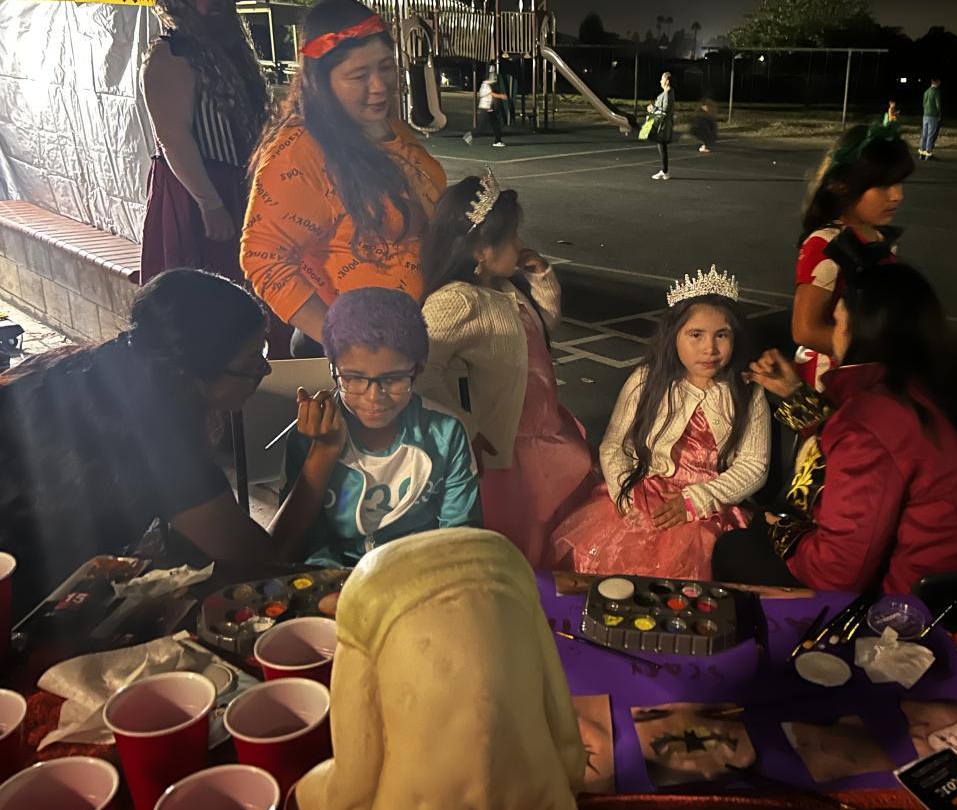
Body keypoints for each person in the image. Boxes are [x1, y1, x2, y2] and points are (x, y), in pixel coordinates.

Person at [0, 271, 302, 615]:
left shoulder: (68, 365)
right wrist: (318, 458)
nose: (265, 370)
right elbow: (267, 562)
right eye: (251, 361)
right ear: (193, 372)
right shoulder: (164, 451)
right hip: (21, 606)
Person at [711, 262, 957, 595]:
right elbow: (869, 453)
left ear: (858, 331)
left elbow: (837, 572)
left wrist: (787, 533)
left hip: (907, 604)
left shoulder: (873, 416)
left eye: (836, 321)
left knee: (736, 548)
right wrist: (796, 395)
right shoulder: (932, 384)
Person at [285, 529, 585, 810]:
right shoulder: (512, 569)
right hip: (539, 803)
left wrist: (296, 803)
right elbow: (570, 751)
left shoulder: (363, 598)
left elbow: (352, 800)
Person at [241, 0, 447, 357]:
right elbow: (263, 259)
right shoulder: (299, 151)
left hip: (409, 337)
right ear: (321, 81)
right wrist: (349, 346)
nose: (379, 86)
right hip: (358, 356)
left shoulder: (384, 126)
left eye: (385, 67)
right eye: (358, 76)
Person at [419, 171, 598, 569]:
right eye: (511, 238)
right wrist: (465, 427)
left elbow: (539, 329)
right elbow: (424, 369)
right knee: (522, 542)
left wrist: (541, 278)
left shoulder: (504, 288)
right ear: (481, 251)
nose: (519, 245)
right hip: (510, 448)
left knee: (552, 531)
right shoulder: (457, 301)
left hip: (546, 428)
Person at [552, 268, 769, 580]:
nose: (710, 348)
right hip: (644, 494)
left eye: (722, 335)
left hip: (710, 506)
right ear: (673, 336)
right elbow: (615, 445)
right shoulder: (648, 380)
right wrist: (626, 494)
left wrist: (698, 500)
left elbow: (754, 465)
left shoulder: (746, 391)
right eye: (696, 335)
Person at [273, 288, 480, 566]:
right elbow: (306, 545)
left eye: (392, 379)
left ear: (418, 369)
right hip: (338, 580)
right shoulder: (309, 436)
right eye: (354, 378)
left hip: (420, 573)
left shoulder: (445, 434)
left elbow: (460, 538)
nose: (374, 397)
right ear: (333, 368)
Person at [140, 0, 269, 283]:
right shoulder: (172, 54)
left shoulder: (224, 50)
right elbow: (173, 136)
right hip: (202, 185)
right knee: (213, 283)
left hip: (237, 180)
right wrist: (209, 204)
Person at [794, 124, 912, 391]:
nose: (897, 195)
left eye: (899, 183)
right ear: (844, 186)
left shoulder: (878, 238)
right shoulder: (826, 244)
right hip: (834, 380)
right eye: (883, 185)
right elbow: (805, 330)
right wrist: (877, 353)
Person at [466, 66, 508, 148]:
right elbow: (491, 94)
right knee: (484, 127)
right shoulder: (485, 85)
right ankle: (470, 135)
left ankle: (498, 140)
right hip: (487, 107)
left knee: (495, 125)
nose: (494, 77)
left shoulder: (489, 84)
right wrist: (501, 96)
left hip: (490, 107)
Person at [648, 71, 676, 180]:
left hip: (663, 126)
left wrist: (653, 109)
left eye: (662, 79)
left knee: (661, 146)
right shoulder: (667, 93)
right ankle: (664, 171)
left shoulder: (667, 94)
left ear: (667, 81)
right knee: (662, 147)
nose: (660, 81)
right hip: (662, 125)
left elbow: (664, 111)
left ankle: (664, 171)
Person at [919, 78, 942, 159]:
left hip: (925, 115)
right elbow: (938, 105)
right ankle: (928, 153)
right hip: (933, 116)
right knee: (931, 135)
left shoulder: (926, 92)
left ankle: (922, 152)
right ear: (937, 82)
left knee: (924, 134)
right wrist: (939, 115)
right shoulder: (936, 92)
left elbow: (923, 104)